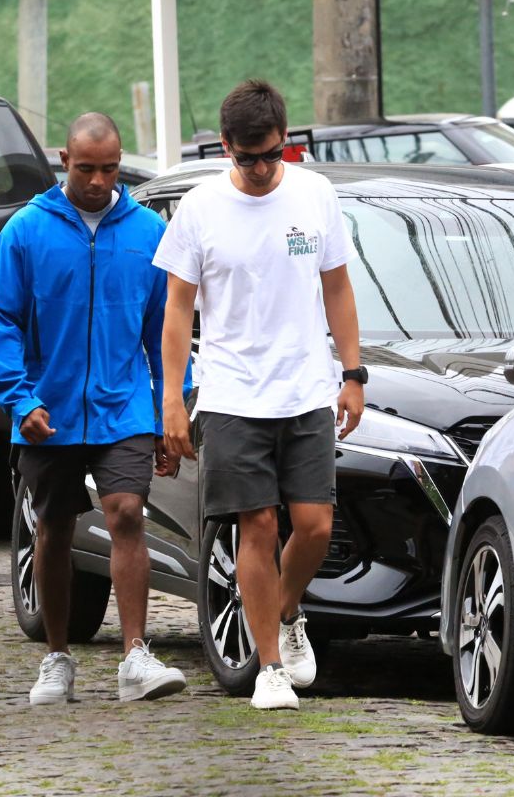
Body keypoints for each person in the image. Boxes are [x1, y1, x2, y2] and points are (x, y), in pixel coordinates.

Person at [153, 80, 364, 710]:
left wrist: (353, 372)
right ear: (226, 149)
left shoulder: (315, 195)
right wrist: (172, 397)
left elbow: (339, 289)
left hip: (305, 388)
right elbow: (176, 309)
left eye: (273, 154)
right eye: (248, 158)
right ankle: (270, 665)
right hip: (232, 393)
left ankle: (286, 609)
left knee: (316, 526)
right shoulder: (199, 208)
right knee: (259, 524)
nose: (263, 168)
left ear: (286, 141)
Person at [0, 112, 187, 705]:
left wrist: (169, 406)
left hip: (125, 408)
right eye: (87, 168)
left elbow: (165, 328)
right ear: (64, 162)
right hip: (51, 409)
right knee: (54, 528)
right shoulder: (27, 231)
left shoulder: (148, 232)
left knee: (126, 513)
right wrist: (20, 400)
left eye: (110, 168)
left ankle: (135, 657)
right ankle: (57, 656)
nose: (99, 180)